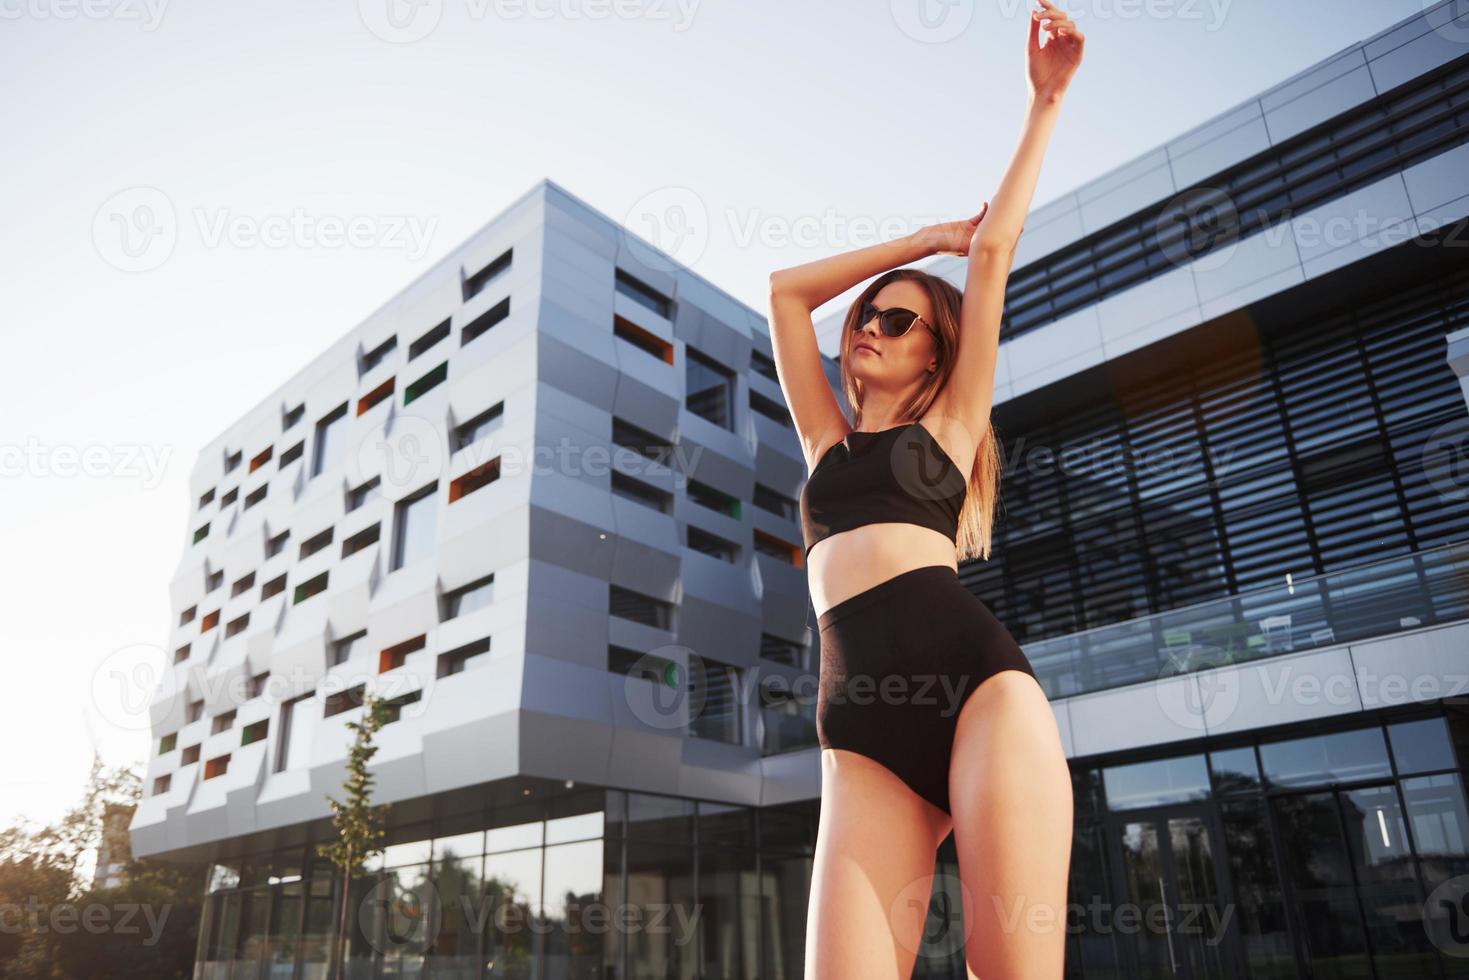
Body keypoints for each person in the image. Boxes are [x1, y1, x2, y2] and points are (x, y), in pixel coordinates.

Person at [767, 2, 1085, 975]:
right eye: (865, 315)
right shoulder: (822, 442)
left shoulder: (949, 430)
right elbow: (785, 291)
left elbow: (990, 256)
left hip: (978, 690)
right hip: (859, 735)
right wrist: (909, 238)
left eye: (896, 318)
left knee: (1008, 969)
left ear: (936, 347)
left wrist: (1043, 103)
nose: (868, 325)